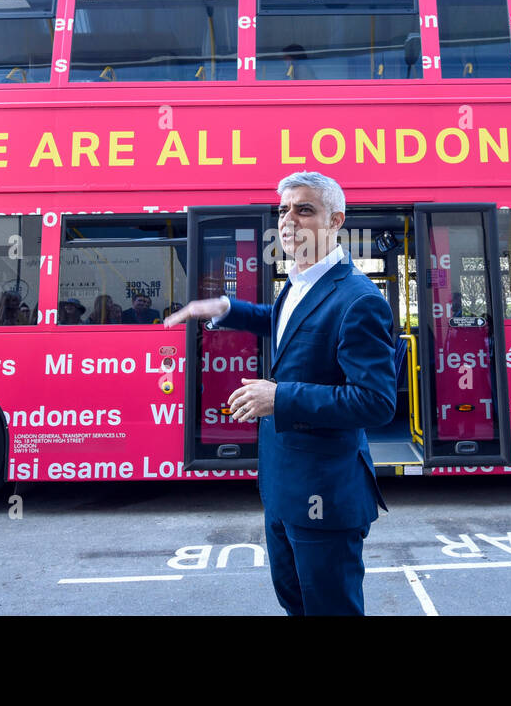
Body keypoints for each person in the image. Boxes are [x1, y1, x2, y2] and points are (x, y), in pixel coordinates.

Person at [165, 171, 394, 616]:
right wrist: (228, 308)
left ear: (335, 221)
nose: (288, 220)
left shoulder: (360, 299)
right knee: (295, 604)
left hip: (325, 494)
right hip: (283, 487)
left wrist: (280, 397)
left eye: (304, 209)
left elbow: (375, 402)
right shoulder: (300, 282)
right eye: (283, 209)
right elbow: (288, 322)